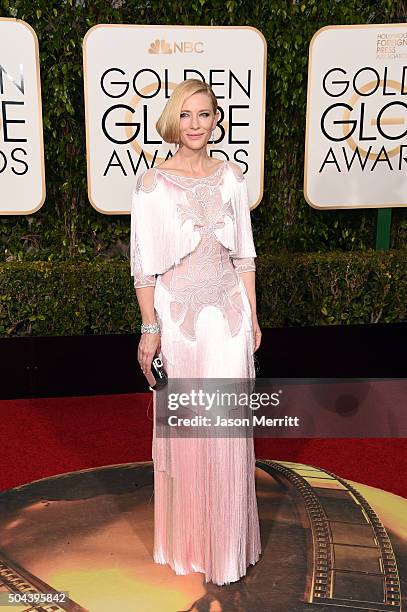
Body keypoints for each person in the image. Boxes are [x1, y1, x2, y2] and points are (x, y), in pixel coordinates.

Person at [130, 78, 262, 586]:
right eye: (185, 115)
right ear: (172, 120)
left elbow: (244, 253)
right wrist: (149, 328)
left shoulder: (231, 177)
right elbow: (143, 266)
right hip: (179, 318)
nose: (194, 124)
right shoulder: (151, 183)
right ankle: (188, 541)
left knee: (226, 429)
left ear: (216, 121)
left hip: (226, 315)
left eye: (204, 114)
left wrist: (252, 315)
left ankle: (225, 547)